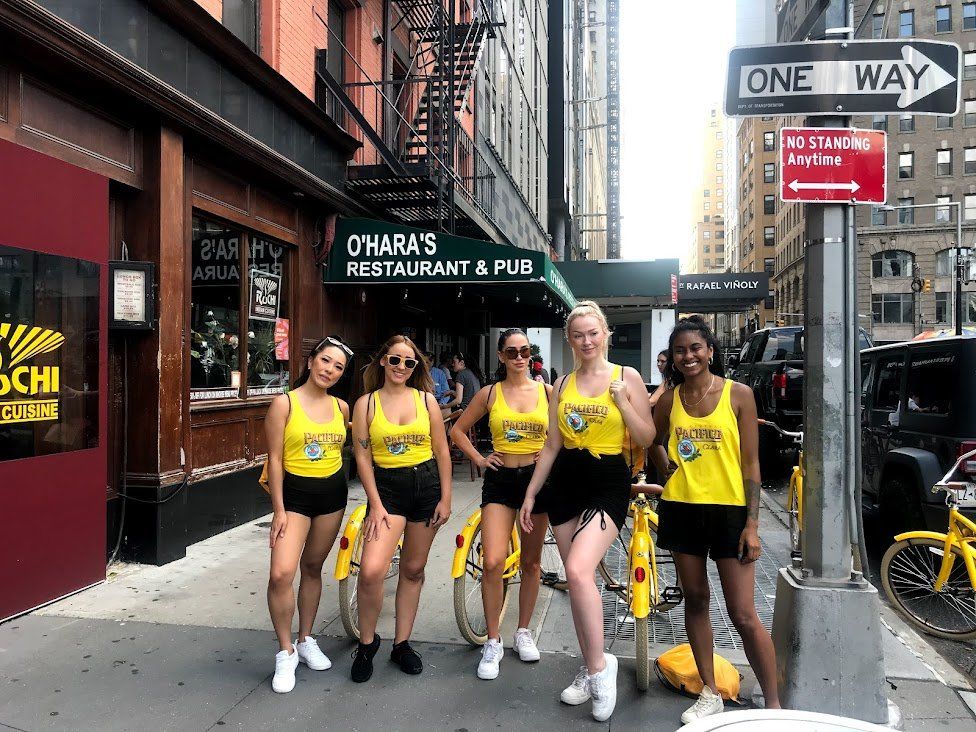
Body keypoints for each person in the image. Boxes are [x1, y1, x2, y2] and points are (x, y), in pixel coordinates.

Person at [518, 300, 655, 722]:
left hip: (607, 480)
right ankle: (591, 663)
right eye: (578, 335)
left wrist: (624, 403)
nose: (586, 341)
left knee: (577, 571)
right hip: (565, 481)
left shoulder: (626, 376)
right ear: (569, 340)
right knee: (582, 583)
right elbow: (552, 444)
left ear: (606, 333)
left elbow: (647, 437)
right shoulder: (561, 383)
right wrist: (531, 493)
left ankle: (599, 670)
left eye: (593, 333)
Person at [650, 316, 780, 723]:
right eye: (679, 351)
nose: (687, 356)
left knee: (743, 613)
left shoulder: (738, 395)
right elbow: (653, 441)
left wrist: (752, 525)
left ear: (709, 350)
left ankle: (775, 705)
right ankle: (710, 691)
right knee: (696, 599)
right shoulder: (669, 400)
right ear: (672, 357)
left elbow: (752, 463)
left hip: (730, 513)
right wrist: (666, 469)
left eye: (695, 348)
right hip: (682, 509)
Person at [348, 335, 453, 683]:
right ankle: (367, 643)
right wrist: (375, 504)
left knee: (413, 570)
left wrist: (446, 497)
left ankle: (401, 643)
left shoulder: (426, 401)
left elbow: (441, 450)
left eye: (409, 362)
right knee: (371, 571)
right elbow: (362, 456)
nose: (401, 367)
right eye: (395, 359)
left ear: (416, 367)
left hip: (426, 487)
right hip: (387, 490)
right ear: (383, 360)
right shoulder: (366, 404)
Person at [450, 328, 553, 680]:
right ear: (501, 356)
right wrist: (480, 459)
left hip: (536, 482)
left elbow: (568, 433)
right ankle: (493, 640)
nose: (519, 357)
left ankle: (523, 630)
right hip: (500, 481)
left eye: (525, 351)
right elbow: (456, 431)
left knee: (531, 562)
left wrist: (549, 453)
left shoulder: (547, 392)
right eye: (512, 352)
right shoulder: (490, 393)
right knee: (492, 561)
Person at [264, 336, 353, 693]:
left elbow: (347, 450)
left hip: (332, 497)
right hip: (295, 499)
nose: (329, 370)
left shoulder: (342, 408)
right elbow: (274, 460)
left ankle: (305, 639)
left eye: (338, 366)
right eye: (325, 360)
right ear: (311, 360)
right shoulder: (284, 404)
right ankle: (285, 651)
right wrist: (278, 510)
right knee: (281, 573)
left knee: (313, 567)